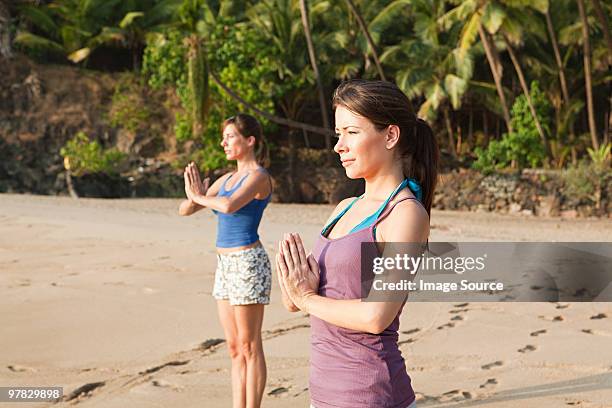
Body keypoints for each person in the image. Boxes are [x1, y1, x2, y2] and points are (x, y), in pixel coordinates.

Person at [276, 79, 438, 408]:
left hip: (371, 395)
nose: (339, 145)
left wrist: (306, 298)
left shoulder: (405, 214)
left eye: (351, 132)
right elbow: (296, 300)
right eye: (338, 134)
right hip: (323, 392)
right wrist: (295, 288)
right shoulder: (344, 208)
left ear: (390, 136)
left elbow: (377, 315)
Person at [179, 113, 273, 408]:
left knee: (250, 344)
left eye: (229, 136)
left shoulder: (258, 176)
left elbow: (230, 205)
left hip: (248, 262)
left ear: (249, 141)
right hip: (225, 266)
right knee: (234, 348)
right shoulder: (227, 178)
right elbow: (185, 210)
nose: (224, 143)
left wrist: (200, 196)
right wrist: (194, 196)